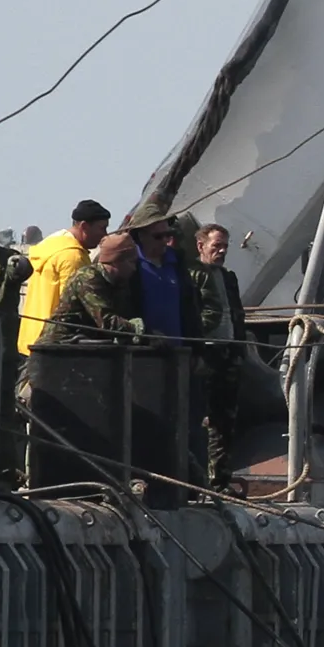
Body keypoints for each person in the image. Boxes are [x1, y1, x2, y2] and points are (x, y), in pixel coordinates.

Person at [190, 222, 249, 487]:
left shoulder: (228, 278)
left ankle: (220, 480)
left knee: (225, 420)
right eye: (217, 245)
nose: (222, 251)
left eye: (225, 246)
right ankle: (199, 479)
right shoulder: (192, 275)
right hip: (206, 354)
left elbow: (237, 315)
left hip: (228, 354)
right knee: (203, 418)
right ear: (201, 246)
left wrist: (239, 349)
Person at [18, 199, 110, 353]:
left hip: (31, 338)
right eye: (102, 228)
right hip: (54, 346)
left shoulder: (49, 247)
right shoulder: (72, 256)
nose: (104, 235)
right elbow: (74, 307)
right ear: (84, 227)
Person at [39, 232, 147, 344]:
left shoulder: (119, 283)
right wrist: (139, 330)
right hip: (58, 346)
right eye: (131, 262)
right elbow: (106, 320)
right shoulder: (88, 277)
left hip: (84, 345)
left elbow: (124, 315)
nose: (134, 268)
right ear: (116, 261)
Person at [127, 201, 187, 340]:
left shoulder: (177, 261)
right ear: (141, 235)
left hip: (179, 349)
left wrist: (196, 347)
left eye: (168, 235)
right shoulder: (130, 263)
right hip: (142, 351)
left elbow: (190, 306)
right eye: (158, 236)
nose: (165, 240)